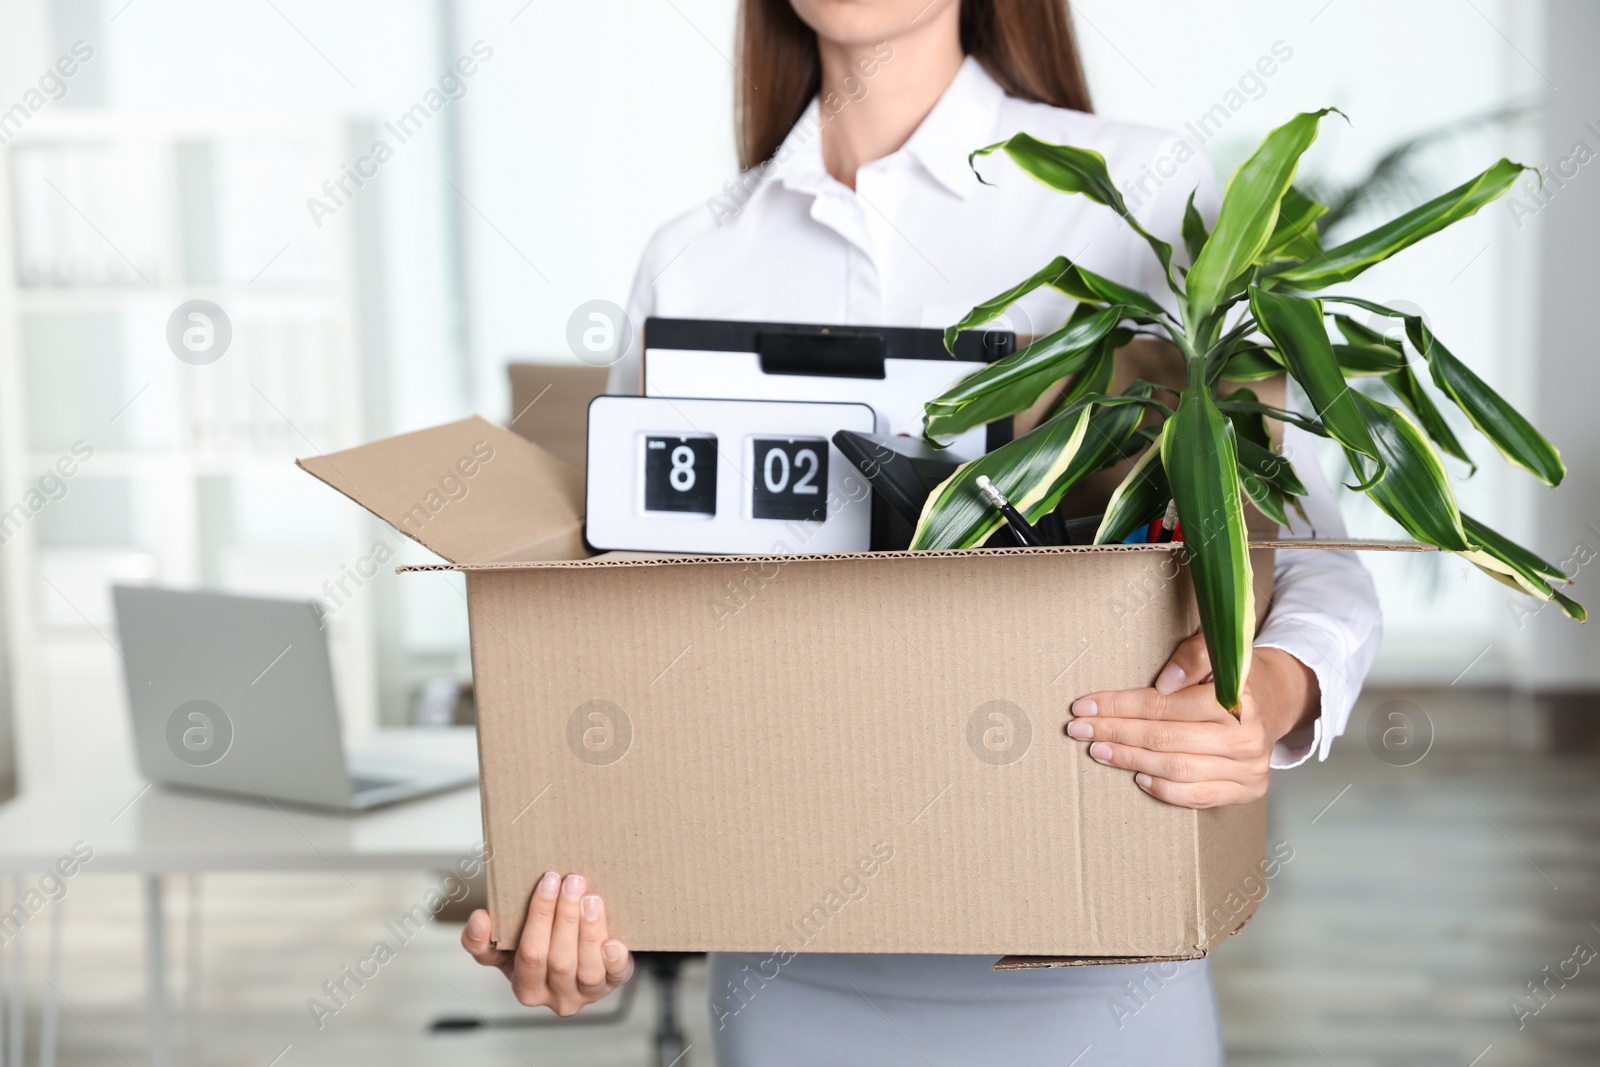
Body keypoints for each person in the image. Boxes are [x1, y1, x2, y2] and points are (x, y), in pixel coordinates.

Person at [462, 1, 1381, 1062]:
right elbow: (620, 624)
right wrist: (566, 869)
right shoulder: (696, 256)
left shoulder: (1140, 196)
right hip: (786, 967)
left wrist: (1261, 692)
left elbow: (1310, 546)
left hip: (1093, 951)